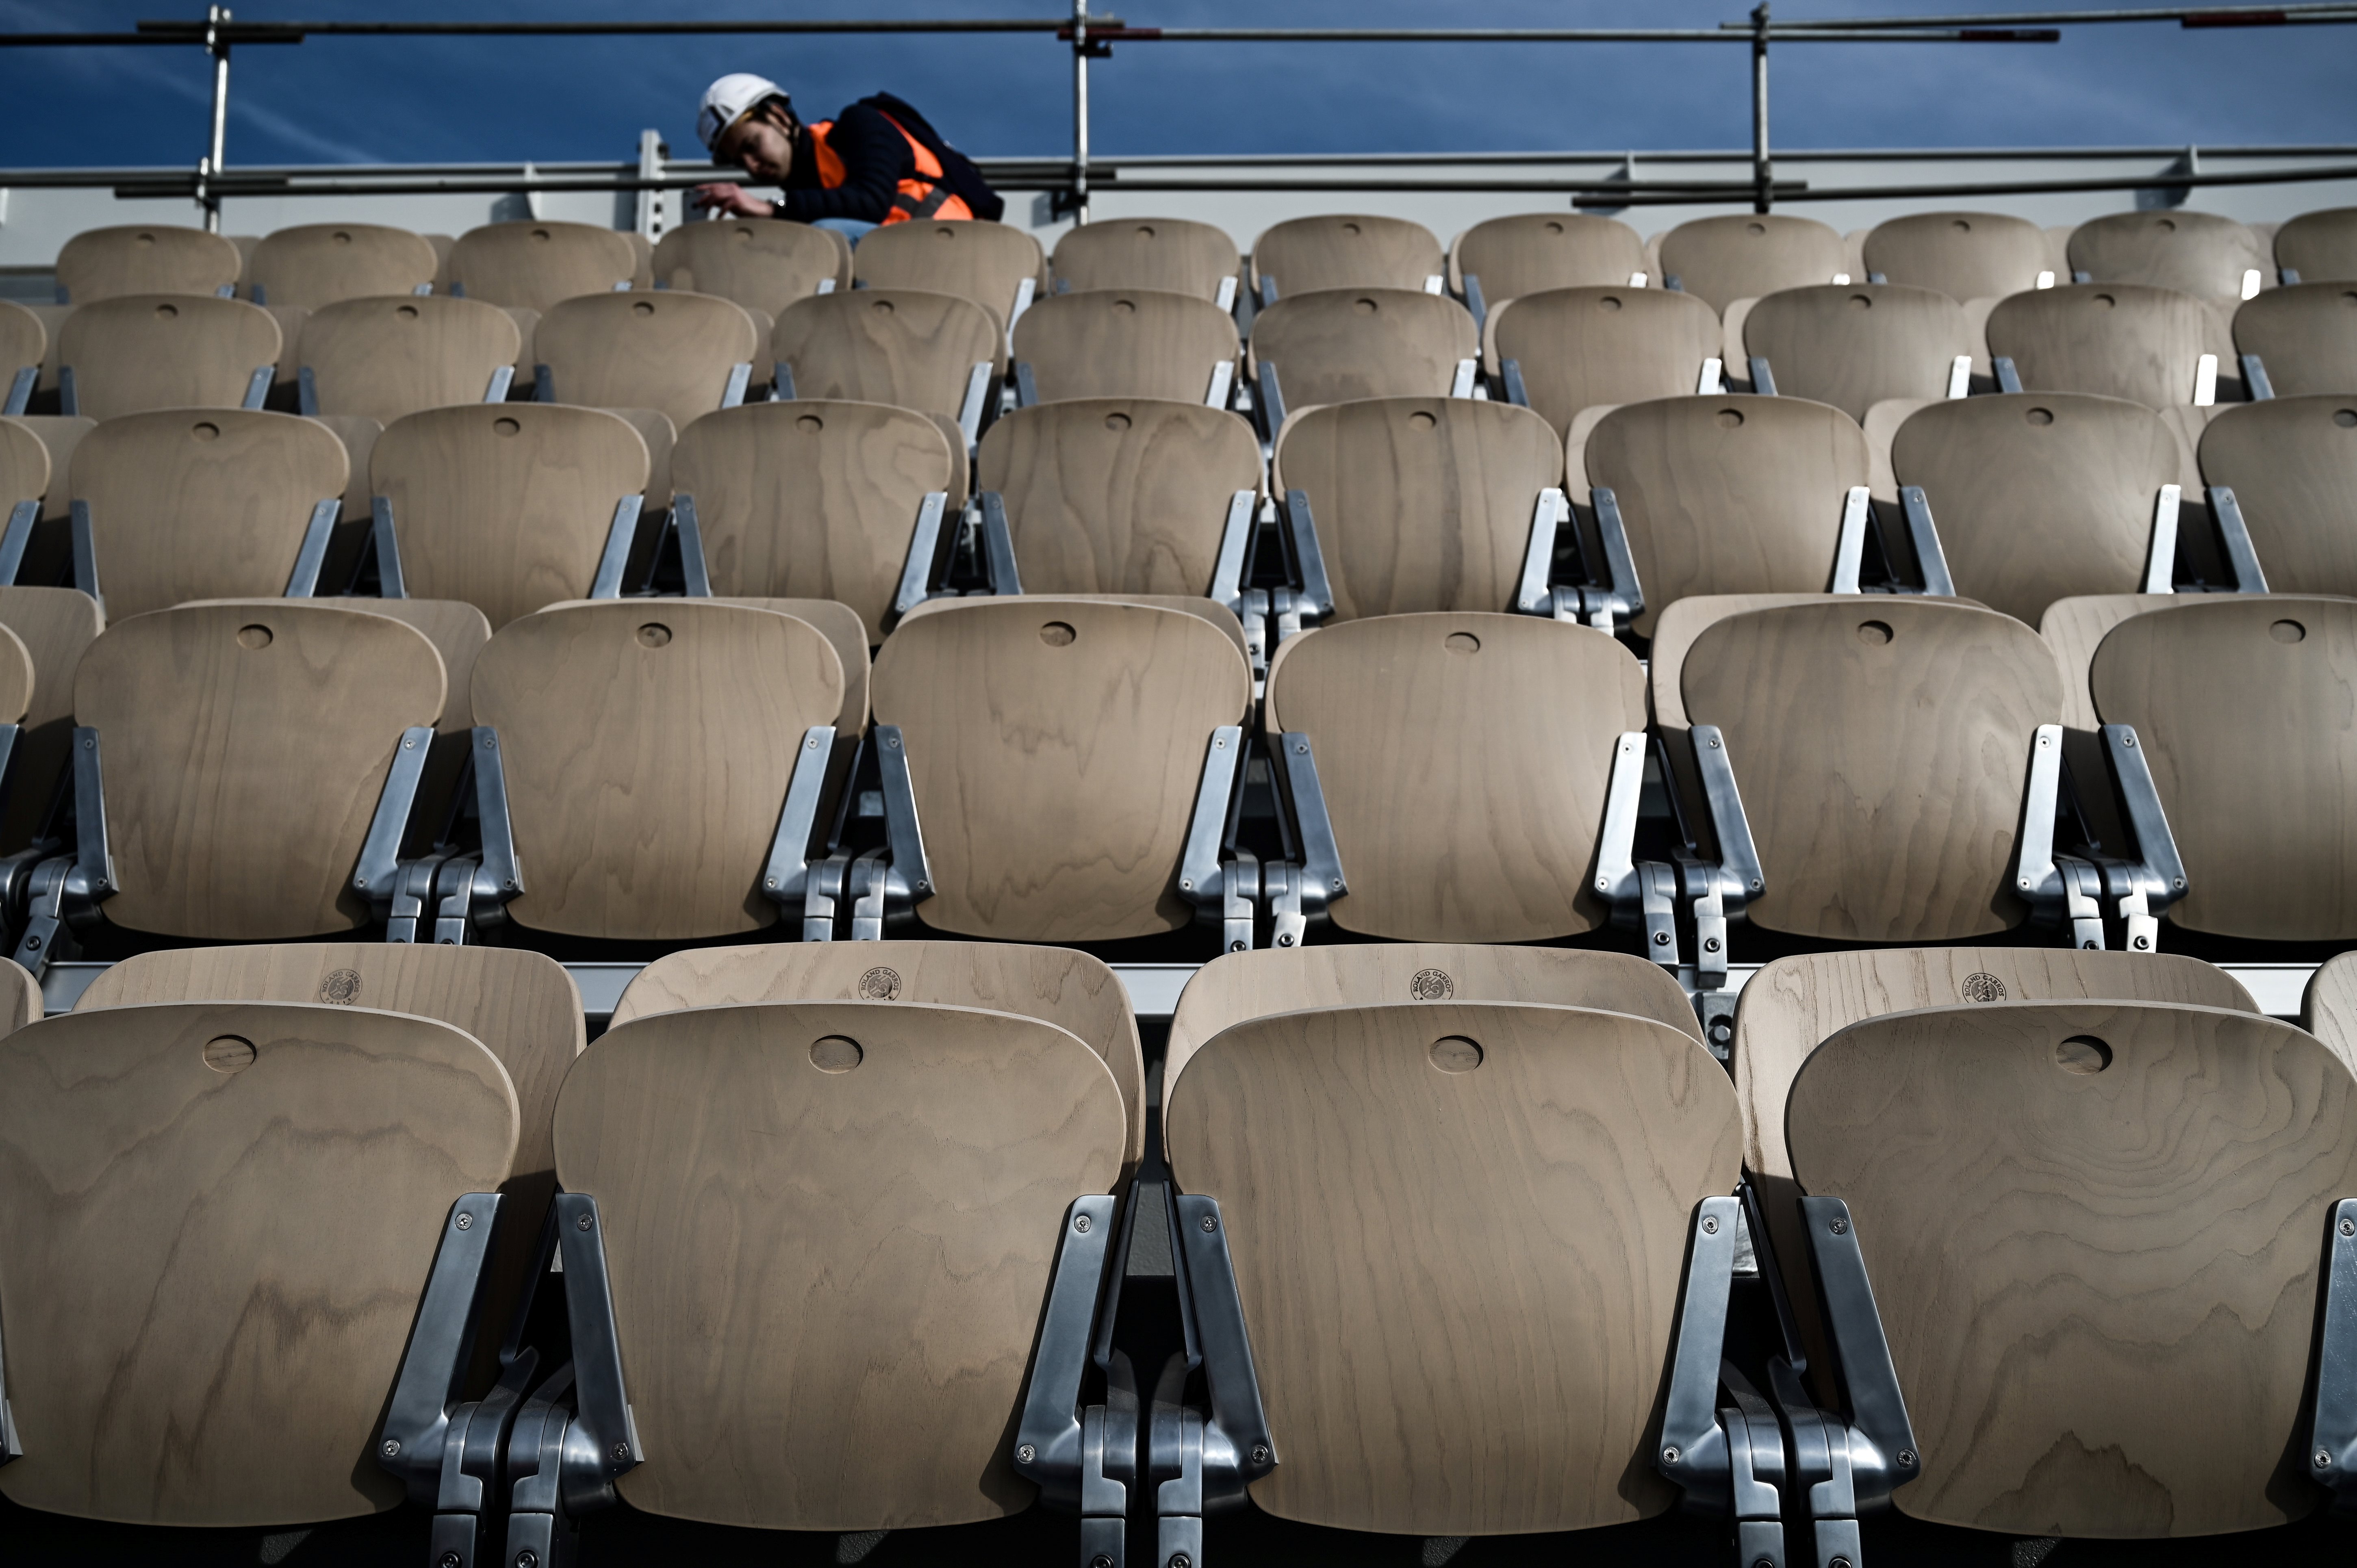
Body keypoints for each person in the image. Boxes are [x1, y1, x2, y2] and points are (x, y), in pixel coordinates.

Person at [692, 73, 1003, 248]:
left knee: (823, 238)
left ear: (778, 117)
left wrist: (770, 209)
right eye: (740, 161)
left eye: (752, 145)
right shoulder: (806, 195)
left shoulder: (858, 124)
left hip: (950, 245)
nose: (752, 165)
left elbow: (871, 201)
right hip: (899, 259)